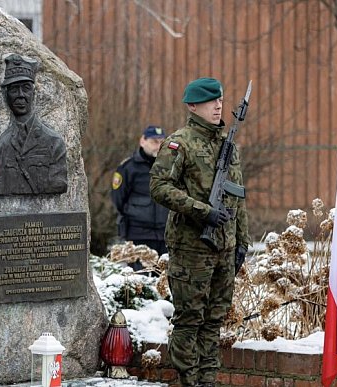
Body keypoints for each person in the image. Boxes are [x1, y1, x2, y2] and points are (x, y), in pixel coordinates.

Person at [149, 77, 249, 387]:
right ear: (193, 106)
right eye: (210, 101)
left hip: (224, 247)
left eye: (220, 99)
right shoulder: (180, 142)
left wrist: (242, 241)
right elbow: (159, 187)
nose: (218, 105)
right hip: (192, 248)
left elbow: (237, 197)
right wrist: (202, 210)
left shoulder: (227, 146)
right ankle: (189, 381)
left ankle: (208, 380)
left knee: (213, 321)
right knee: (189, 321)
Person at [0, 53, 68, 196]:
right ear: (6, 95)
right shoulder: (4, 143)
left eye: (26, 88)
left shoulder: (53, 141)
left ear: (34, 93)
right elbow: (0, 187)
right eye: (14, 89)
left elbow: (59, 184)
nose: (21, 95)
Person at [110, 125, 170, 270]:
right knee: (140, 280)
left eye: (162, 142)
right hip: (139, 235)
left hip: (165, 235)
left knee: (164, 282)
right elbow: (118, 199)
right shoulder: (128, 168)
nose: (159, 146)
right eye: (154, 142)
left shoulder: (170, 166)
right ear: (143, 141)